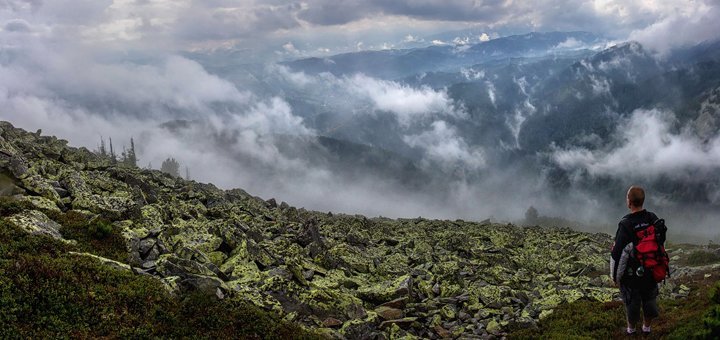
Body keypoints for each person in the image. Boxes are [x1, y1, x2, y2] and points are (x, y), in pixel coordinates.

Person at [610, 186, 661, 335]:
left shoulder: (626, 224)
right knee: (650, 299)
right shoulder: (653, 218)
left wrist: (615, 277)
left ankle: (631, 330)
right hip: (651, 270)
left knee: (632, 302)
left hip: (632, 275)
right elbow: (659, 244)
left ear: (629, 202)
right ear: (642, 201)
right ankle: (647, 328)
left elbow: (618, 255)